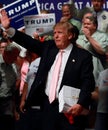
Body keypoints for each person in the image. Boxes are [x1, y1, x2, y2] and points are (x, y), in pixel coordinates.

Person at [0, 9, 95, 130]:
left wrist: (80, 103)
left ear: (70, 35)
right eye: (54, 32)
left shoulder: (83, 56)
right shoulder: (49, 48)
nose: (55, 35)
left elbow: (88, 83)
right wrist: (9, 29)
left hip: (70, 110)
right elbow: (29, 42)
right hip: (48, 107)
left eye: (60, 32)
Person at [76, 15, 108, 82]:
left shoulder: (102, 36)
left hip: (97, 72)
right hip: (81, 71)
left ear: (95, 26)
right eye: (84, 24)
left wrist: (89, 37)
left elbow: (102, 51)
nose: (85, 26)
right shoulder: (79, 37)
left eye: (88, 24)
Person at [0, 43, 21, 130]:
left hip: (8, 104)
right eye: (14, 56)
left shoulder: (14, 66)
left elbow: (13, 89)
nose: (16, 58)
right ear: (6, 53)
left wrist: (14, 110)